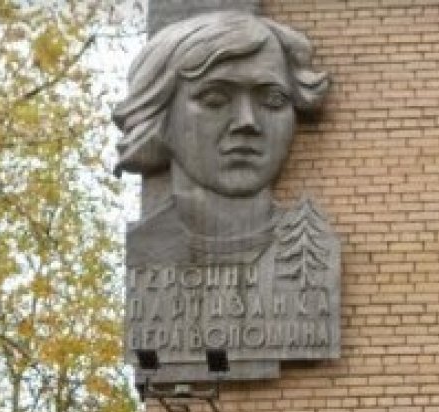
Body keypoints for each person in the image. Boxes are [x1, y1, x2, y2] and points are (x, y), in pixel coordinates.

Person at [114, 12, 330, 263]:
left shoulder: (312, 251)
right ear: (161, 114)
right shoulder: (149, 245)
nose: (246, 122)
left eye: (272, 99)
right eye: (215, 99)